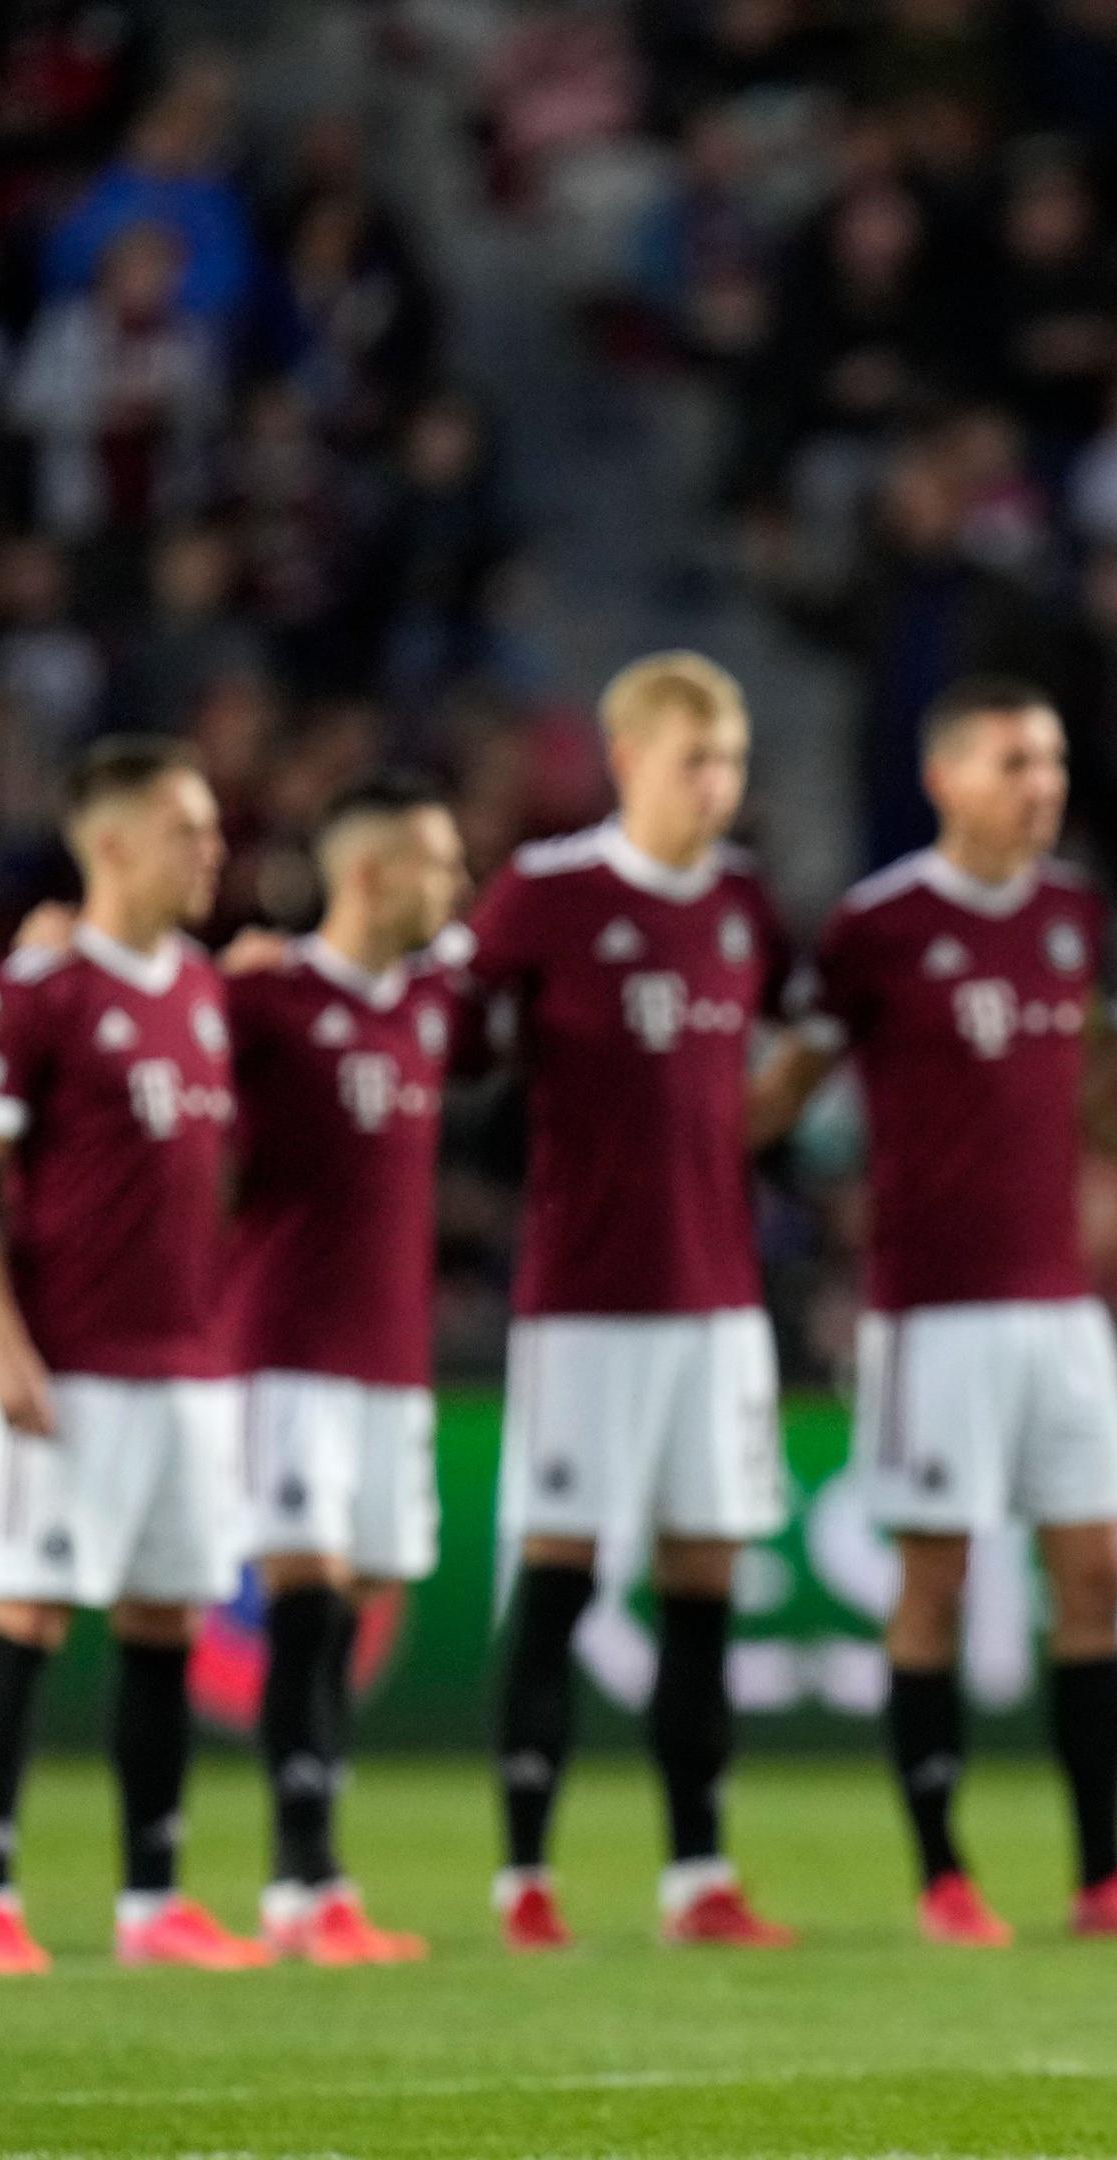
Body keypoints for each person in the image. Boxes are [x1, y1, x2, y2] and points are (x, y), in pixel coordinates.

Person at [756, 676, 1117, 1949]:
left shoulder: (1072, 914)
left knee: (1100, 1572)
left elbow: (1076, 1070)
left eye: (1053, 759)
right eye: (1016, 761)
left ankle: (1103, 1876)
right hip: (933, 1309)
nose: (1042, 785)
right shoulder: (879, 925)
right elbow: (787, 1084)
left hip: (1057, 1304)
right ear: (946, 775)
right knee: (937, 1585)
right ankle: (944, 1876)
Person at [456, 652, 795, 1952]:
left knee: (703, 1579)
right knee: (563, 1572)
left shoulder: (741, 908)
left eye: (731, 764)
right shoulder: (546, 895)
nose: (716, 787)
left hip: (717, 1301)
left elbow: (758, 1079)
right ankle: (524, 1875)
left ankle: (697, 1873)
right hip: (584, 1301)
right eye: (693, 762)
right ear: (629, 761)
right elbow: (459, 1029)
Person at [0, 738, 264, 1973]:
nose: (212, 849)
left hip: (188, 1366)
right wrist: (2, 1345)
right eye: (189, 829)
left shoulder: (202, 987)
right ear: (116, 842)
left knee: (162, 1625)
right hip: (66, 1365)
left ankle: (152, 1901)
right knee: (26, 1615)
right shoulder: (37, 989)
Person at [221, 775, 471, 1965]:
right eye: (438, 862)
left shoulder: (432, 1000)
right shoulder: (264, 999)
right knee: (308, 1607)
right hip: (284, 1348)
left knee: (350, 1607)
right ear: (370, 874)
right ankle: (303, 1881)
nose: (458, 886)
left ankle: (314, 1880)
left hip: (393, 1359)